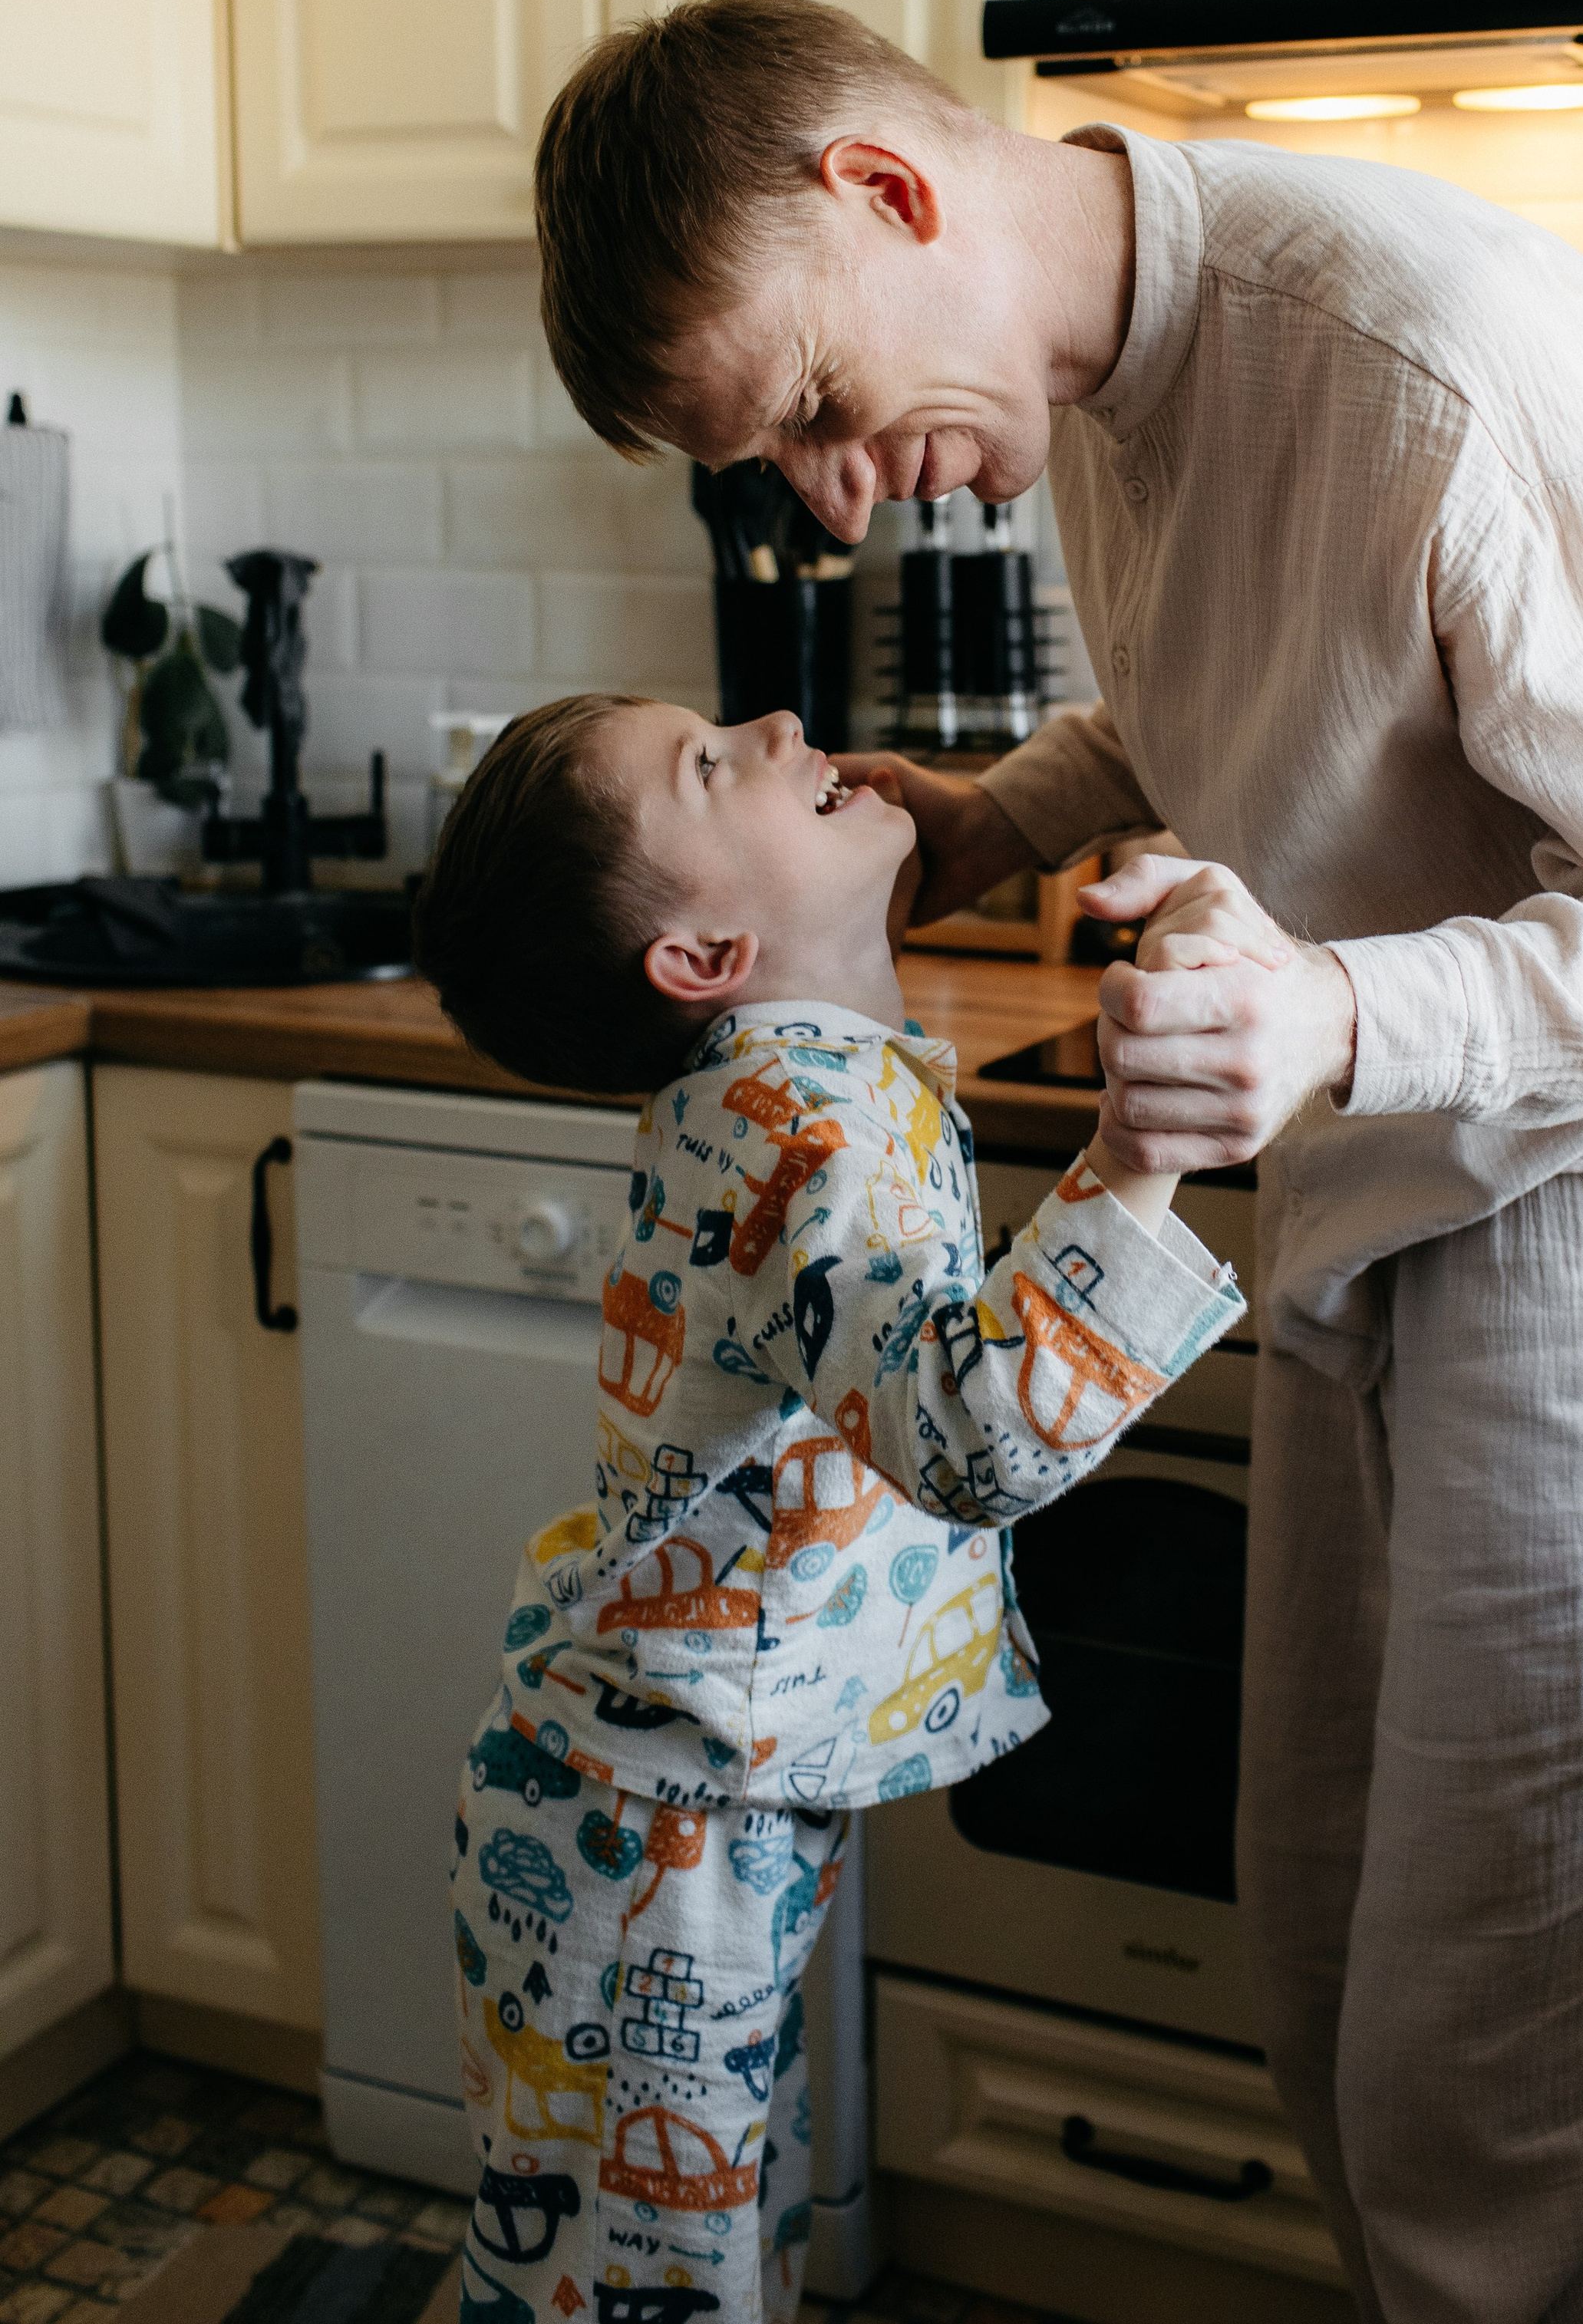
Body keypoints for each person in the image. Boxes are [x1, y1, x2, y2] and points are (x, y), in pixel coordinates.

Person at [525, 0, 1583, 2324]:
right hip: (1364, 1189)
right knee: (1323, 1963)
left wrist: (1333, 1008)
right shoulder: (1093, 377)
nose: (835, 504)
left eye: (814, 409)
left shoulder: (1432, 356)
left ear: (887, 193)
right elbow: (1239, 691)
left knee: (1491, 2093)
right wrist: (1006, 812)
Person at [412, 691, 1245, 2324]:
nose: (781, 720)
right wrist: (1148, 1134)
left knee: (673, 2247)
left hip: (681, 1790)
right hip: (660, 1824)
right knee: (649, 2274)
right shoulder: (799, 1119)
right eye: (710, 762)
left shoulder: (796, 1077)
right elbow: (972, 1433)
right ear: (705, 956)